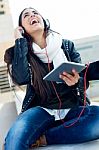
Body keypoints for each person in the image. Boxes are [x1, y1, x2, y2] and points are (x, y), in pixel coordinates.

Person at [4, 7, 99, 150]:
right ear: (22, 28)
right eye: (26, 15)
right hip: (41, 109)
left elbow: (81, 80)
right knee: (16, 135)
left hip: (72, 107)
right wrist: (19, 41)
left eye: (35, 13)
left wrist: (75, 83)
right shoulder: (23, 52)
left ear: (44, 20)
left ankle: (45, 138)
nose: (32, 15)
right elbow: (21, 77)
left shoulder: (66, 45)